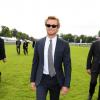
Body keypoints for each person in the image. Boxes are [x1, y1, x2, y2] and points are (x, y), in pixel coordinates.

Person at [30, 16, 71, 100]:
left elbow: (67, 66)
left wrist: (66, 84)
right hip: (41, 79)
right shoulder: (39, 43)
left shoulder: (64, 44)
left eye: (53, 26)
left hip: (57, 80)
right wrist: (32, 80)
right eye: (48, 25)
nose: (50, 27)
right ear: (45, 26)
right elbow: (35, 63)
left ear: (58, 27)